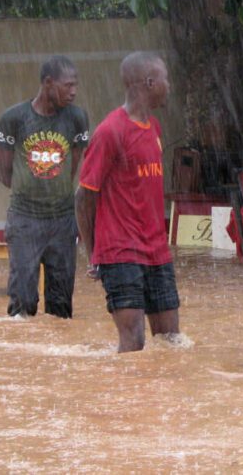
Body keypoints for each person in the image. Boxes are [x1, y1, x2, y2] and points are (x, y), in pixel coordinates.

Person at [75, 52, 181, 352]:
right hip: (120, 253)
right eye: (165, 78)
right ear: (149, 83)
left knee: (173, 343)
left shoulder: (155, 128)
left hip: (157, 253)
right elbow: (83, 196)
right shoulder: (110, 132)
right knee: (133, 343)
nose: (169, 85)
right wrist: (93, 253)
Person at [0, 55, 89, 318]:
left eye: (75, 86)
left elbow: (72, 167)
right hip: (25, 219)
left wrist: (52, 190)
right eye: (67, 85)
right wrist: (33, 189)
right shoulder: (13, 118)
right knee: (22, 301)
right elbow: (3, 173)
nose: (73, 92)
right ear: (48, 83)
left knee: (61, 305)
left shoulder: (77, 118)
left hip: (62, 220)